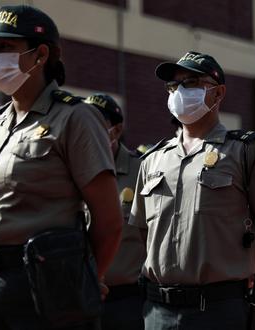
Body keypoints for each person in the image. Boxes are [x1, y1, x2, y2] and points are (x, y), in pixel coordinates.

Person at [0, 5, 122, 329]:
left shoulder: (75, 117)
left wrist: (83, 277)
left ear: (41, 55)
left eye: (6, 48)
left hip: (46, 281)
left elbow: (109, 222)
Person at [129, 51, 255, 329]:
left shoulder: (244, 151)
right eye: (173, 86)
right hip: (158, 309)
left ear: (218, 94)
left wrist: (249, 268)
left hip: (216, 308)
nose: (179, 91)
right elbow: (144, 230)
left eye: (191, 83)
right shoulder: (153, 159)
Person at [83, 93, 145, 330]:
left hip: (126, 301)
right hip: (80, 297)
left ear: (116, 131)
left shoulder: (141, 171)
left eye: (97, 124)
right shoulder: (71, 168)